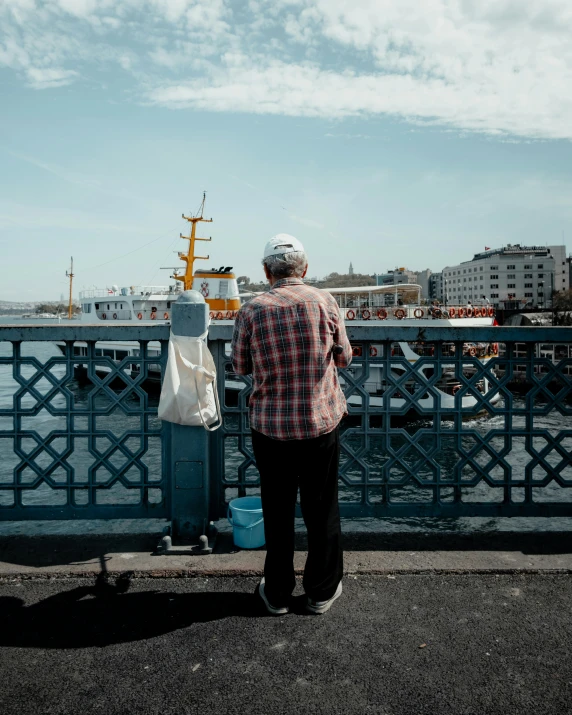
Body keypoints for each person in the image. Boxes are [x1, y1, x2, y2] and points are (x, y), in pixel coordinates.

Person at [231, 234, 352, 616]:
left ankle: (278, 593)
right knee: (322, 509)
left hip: (271, 428)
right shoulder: (325, 301)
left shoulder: (251, 310)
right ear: (305, 268)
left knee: (278, 509)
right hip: (320, 422)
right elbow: (344, 357)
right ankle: (320, 591)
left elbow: (240, 367)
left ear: (266, 271)